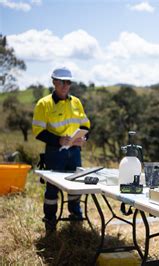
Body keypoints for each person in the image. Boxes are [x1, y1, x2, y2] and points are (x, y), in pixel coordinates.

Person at [32, 67, 91, 233]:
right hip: (54, 153)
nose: (66, 85)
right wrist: (58, 140)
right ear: (54, 82)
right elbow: (38, 131)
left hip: (75, 152)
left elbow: (86, 125)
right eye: (62, 82)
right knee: (52, 190)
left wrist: (83, 139)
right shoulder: (44, 104)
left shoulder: (76, 102)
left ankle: (76, 217)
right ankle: (50, 221)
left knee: (76, 185)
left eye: (68, 82)